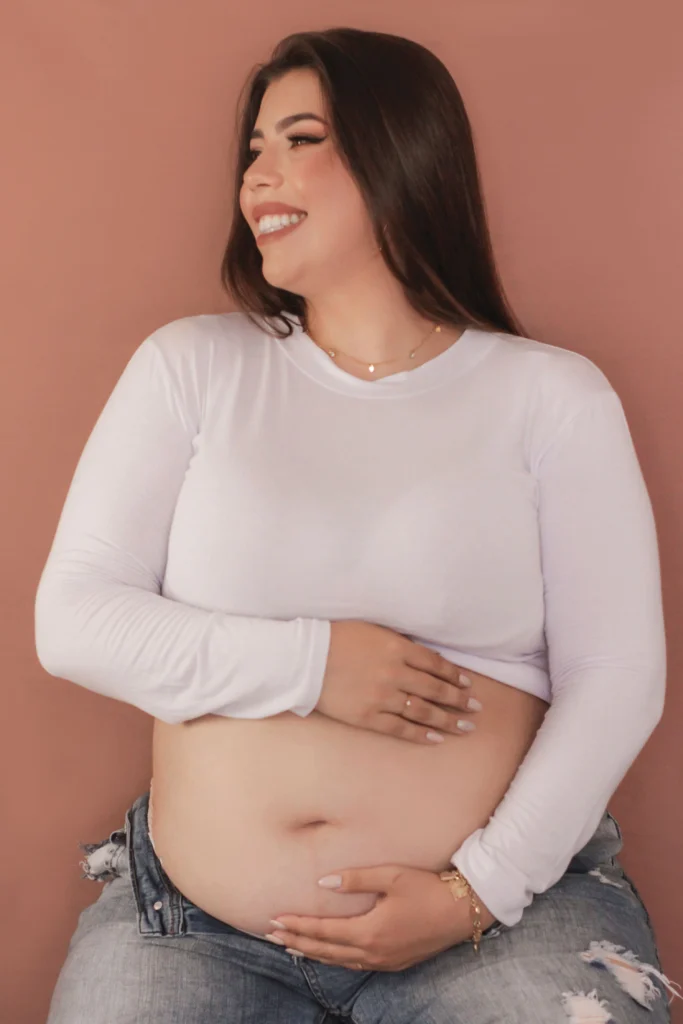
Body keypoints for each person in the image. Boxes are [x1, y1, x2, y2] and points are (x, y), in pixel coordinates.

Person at [35, 26, 677, 1024]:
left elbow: (616, 673)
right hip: (195, 926)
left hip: (502, 918)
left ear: (401, 154)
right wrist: (314, 665)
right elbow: (72, 620)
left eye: (300, 139)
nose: (258, 175)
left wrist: (476, 891)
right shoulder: (192, 366)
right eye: (253, 148)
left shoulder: (549, 396)